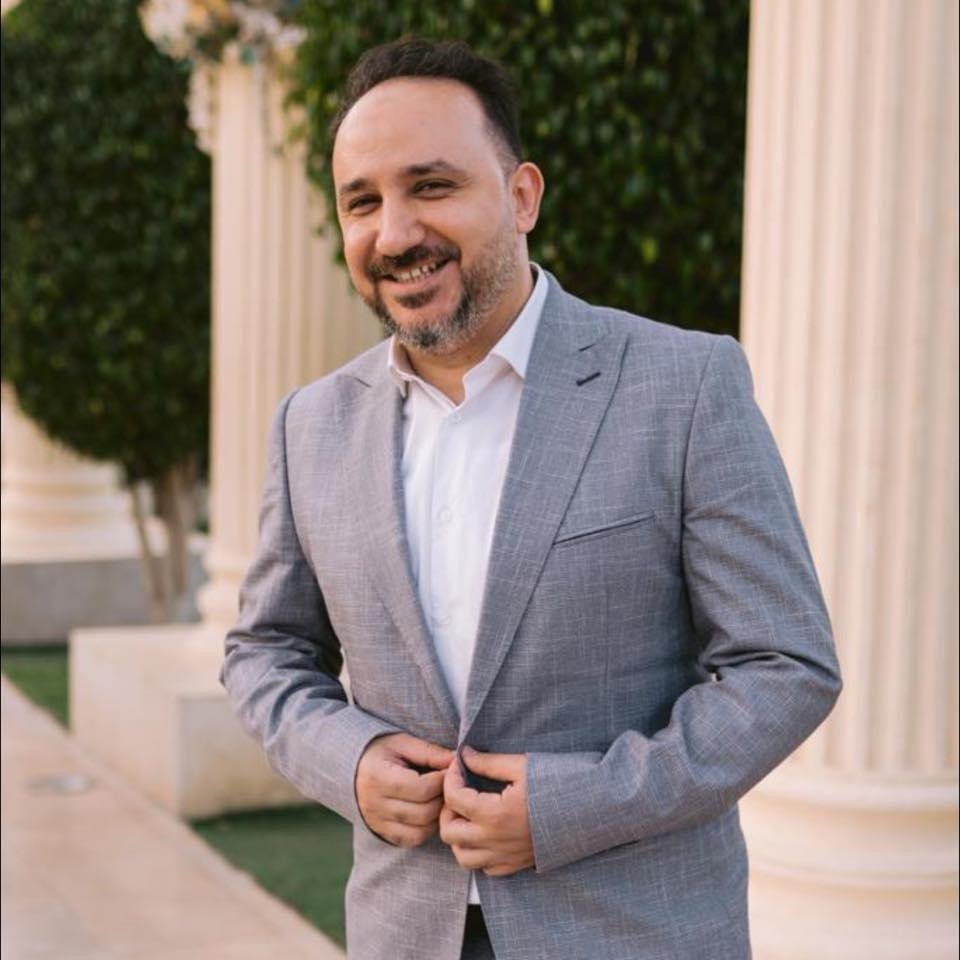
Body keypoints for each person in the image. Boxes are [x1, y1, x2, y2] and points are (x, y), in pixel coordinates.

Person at [222, 37, 842, 960]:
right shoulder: (309, 424)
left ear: (521, 197)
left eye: (431, 186)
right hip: (404, 933)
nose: (395, 234)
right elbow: (265, 652)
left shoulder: (684, 385)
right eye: (363, 202)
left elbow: (785, 665)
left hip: (635, 935)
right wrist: (348, 761)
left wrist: (572, 807)